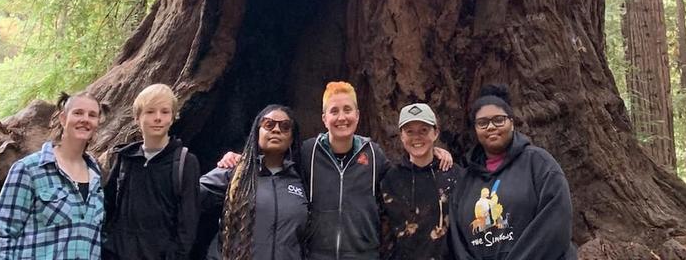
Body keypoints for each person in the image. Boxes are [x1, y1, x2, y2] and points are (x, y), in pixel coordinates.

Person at [217, 81, 453, 260]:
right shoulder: (307, 153)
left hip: (364, 255)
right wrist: (241, 157)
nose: (342, 117)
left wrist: (435, 154)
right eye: (334, 111)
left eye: (347, 110)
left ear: (357, 115)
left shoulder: (373, 154)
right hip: (317, 255)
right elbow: (273, 159)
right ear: (324, 118)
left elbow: (402, 176)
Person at [450, 84, 577, 260]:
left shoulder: (539, 164)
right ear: (475, 129)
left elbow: (555, 222)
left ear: (512, 122)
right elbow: (458, 241)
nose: (491, 127)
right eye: (482, 123)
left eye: (499, 120)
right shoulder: (465, 179)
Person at [0, 91, 108, 259]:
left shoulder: (96, 174)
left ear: (97, 123)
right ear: (63, 118)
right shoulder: (29, 169)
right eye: (78, 113)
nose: (85, 119)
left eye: (92, 115)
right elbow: (4, 235)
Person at [103, 84, 201, 260]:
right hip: (117, 252)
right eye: (150, 112)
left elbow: (188, 220)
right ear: (137, 118)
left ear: (173, 117)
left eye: (165, 112)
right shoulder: (126, 158)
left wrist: (175, 255)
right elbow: (107, 205)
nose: (158, 118)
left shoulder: (185, 162)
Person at [200, 104, 308, 260]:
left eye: (285, 126)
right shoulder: (235, 172)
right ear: (257, 132)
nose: (276, 130)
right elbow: (188, 196)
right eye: (268, 124)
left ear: (292, 138)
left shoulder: (301, 179)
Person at [380, 103, 461, 260]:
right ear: (402, 136)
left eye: (424, 130)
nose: (417, 137)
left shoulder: (454, 175)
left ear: (436, 133)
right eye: (410, 131)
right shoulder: (390, 180)